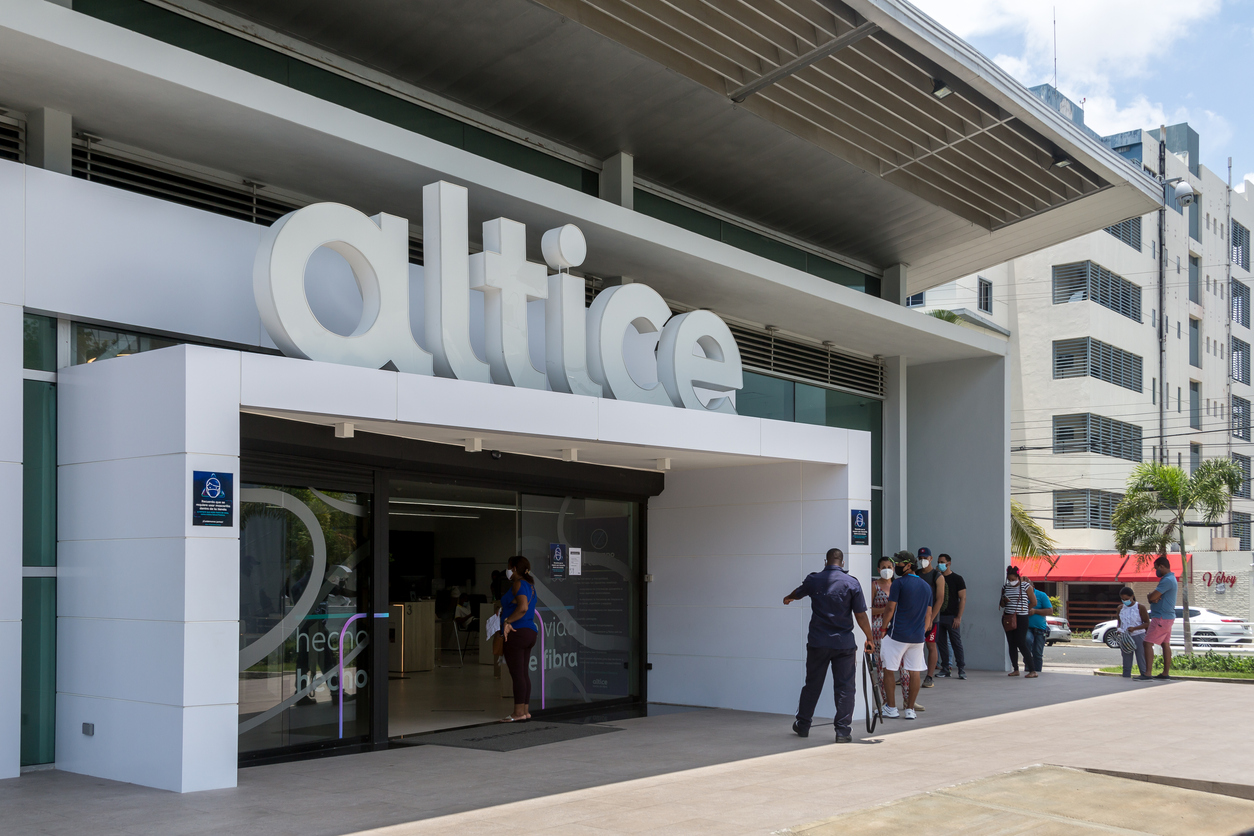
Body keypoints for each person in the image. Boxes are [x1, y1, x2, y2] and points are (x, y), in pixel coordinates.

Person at [783, 548, 875, 743]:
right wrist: (869, 637)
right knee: (845, 687)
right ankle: (842, 731)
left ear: (826, 561)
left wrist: (789, 597)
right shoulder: (852, 583)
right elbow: (860, 615)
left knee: (812, 685)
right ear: (842, 562)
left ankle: (803, 725)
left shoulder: (814, 580)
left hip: (818, 642)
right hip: (844, 644)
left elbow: (798, 593)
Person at [880, 551, 933, 720]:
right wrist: (922, 630)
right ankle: (910, 709)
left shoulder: (899, 583)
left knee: (889, 670)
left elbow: (890, 608)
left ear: (909, 565)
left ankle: (891, 707)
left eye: (899, 564)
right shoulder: (926, 586)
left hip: (897, 635)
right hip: (917, 637)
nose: (896, 567)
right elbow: (929, 614)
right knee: (914, 671)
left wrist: (883, 628)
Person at [500, 555, 540, 722]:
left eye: (509, 566)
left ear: (514, 568)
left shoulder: (518, 584)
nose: (508, 570)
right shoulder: (530, 586)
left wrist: (508, 621)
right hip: (529, 632)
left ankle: (517, 713)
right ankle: (524, 711)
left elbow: (522, 608)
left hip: (518, 632)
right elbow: (519, 605)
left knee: (517, 674)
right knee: (523, 673)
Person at [915, 548, 945, 687]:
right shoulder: (916, 574)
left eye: (925, 558)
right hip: (916, 617)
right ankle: (910, 674)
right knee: (913, 646)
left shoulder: (937, 576)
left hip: (932, 618)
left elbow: (940, 599)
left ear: (931, 558)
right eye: (920, 558)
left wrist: (931, 619)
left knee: (931, 645)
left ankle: (929, 677)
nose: (923, 560)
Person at [1144, 556, 1178, 679]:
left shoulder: (1167, 580)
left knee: (1147, 643)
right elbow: (1155, 597)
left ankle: (1147, 673)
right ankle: (1165, 673)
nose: (1156, 571)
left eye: (1156, 568)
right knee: (1165, 644)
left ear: (1162, 566)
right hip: (1168, 617)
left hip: (1161, 617)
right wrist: (1154, 597)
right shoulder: (1171, 578)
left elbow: (1152, 597)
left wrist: (1151, 597)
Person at [1000, 565, 1037, 677]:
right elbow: (1001, 605)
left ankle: (1032, 670)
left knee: (1021, 642)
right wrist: (1004, 600)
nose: (1011, 581)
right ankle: (1015, 669)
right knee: (1011, 643)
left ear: (1018, 577)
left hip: (1021, 617)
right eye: (1009, 579)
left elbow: (1034, 602)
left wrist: (1025, 609)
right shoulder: (1005, 587)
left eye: (1013, 579)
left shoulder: (1025, 586)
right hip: (1008, 617)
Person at [934, 553, 966, 680]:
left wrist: (959, 617)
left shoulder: (957, 579)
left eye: (943, 562)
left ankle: (961, 669)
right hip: (939, 616)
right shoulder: (937, 578)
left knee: (956, 643)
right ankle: (945, 668)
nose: (940, 564)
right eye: (939, 562)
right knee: (941, 643)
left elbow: (963, 598)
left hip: (952, 616)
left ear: (949, 563)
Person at [869, 555, 895, 705]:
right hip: (879, 629)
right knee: (881, 664)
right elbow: (868, 610)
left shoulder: (898, 585)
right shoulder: (874, 586)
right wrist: (886, 610)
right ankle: (885, 701)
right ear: (878, 569)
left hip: (897, 628)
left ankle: (908, 700)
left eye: (889, 567)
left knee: (903, 667)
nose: (887, 570)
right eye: (883, 567)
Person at [1116, 586, 1151, 680]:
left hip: (1138, 635)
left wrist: (1135, 628)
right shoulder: (1120, 608)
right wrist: (1119, 629)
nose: (1125, 601)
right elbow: (1119, 622)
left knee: (1141, 657)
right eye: (1123, 599)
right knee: (1126, 658)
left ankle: (1144, 674)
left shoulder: (1140, 607)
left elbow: (1147, 623)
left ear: (1132, 596)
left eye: (1127, 599)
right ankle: (1126, 676)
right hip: (1125, 637)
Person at [1026, 578, 1052, 676]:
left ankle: (1037, 671)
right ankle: (1028, 669)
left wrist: (1035, 611)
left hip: (1040, 628)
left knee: (1037, 653)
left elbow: (1050, 610)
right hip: (1026, 627)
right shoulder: (1022, 596)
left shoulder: (1041, 595)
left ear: (1033, 587)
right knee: (1027, 643)